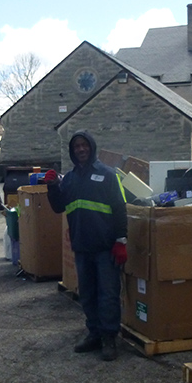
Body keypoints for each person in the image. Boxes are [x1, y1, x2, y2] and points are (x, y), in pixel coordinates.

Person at [45, 130, 127, 361]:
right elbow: (59, 207)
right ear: (72, 152)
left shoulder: (108, 175)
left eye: (84, 146)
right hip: (82, 247)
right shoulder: (69, 179)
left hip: (105, 247)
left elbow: (120, 209)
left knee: (108, 294)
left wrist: (121, 241)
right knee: (88, 295)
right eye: (76, 147)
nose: (81, 149)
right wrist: (52, 186)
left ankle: (109, 337)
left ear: (92, 147)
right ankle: (94, 334)